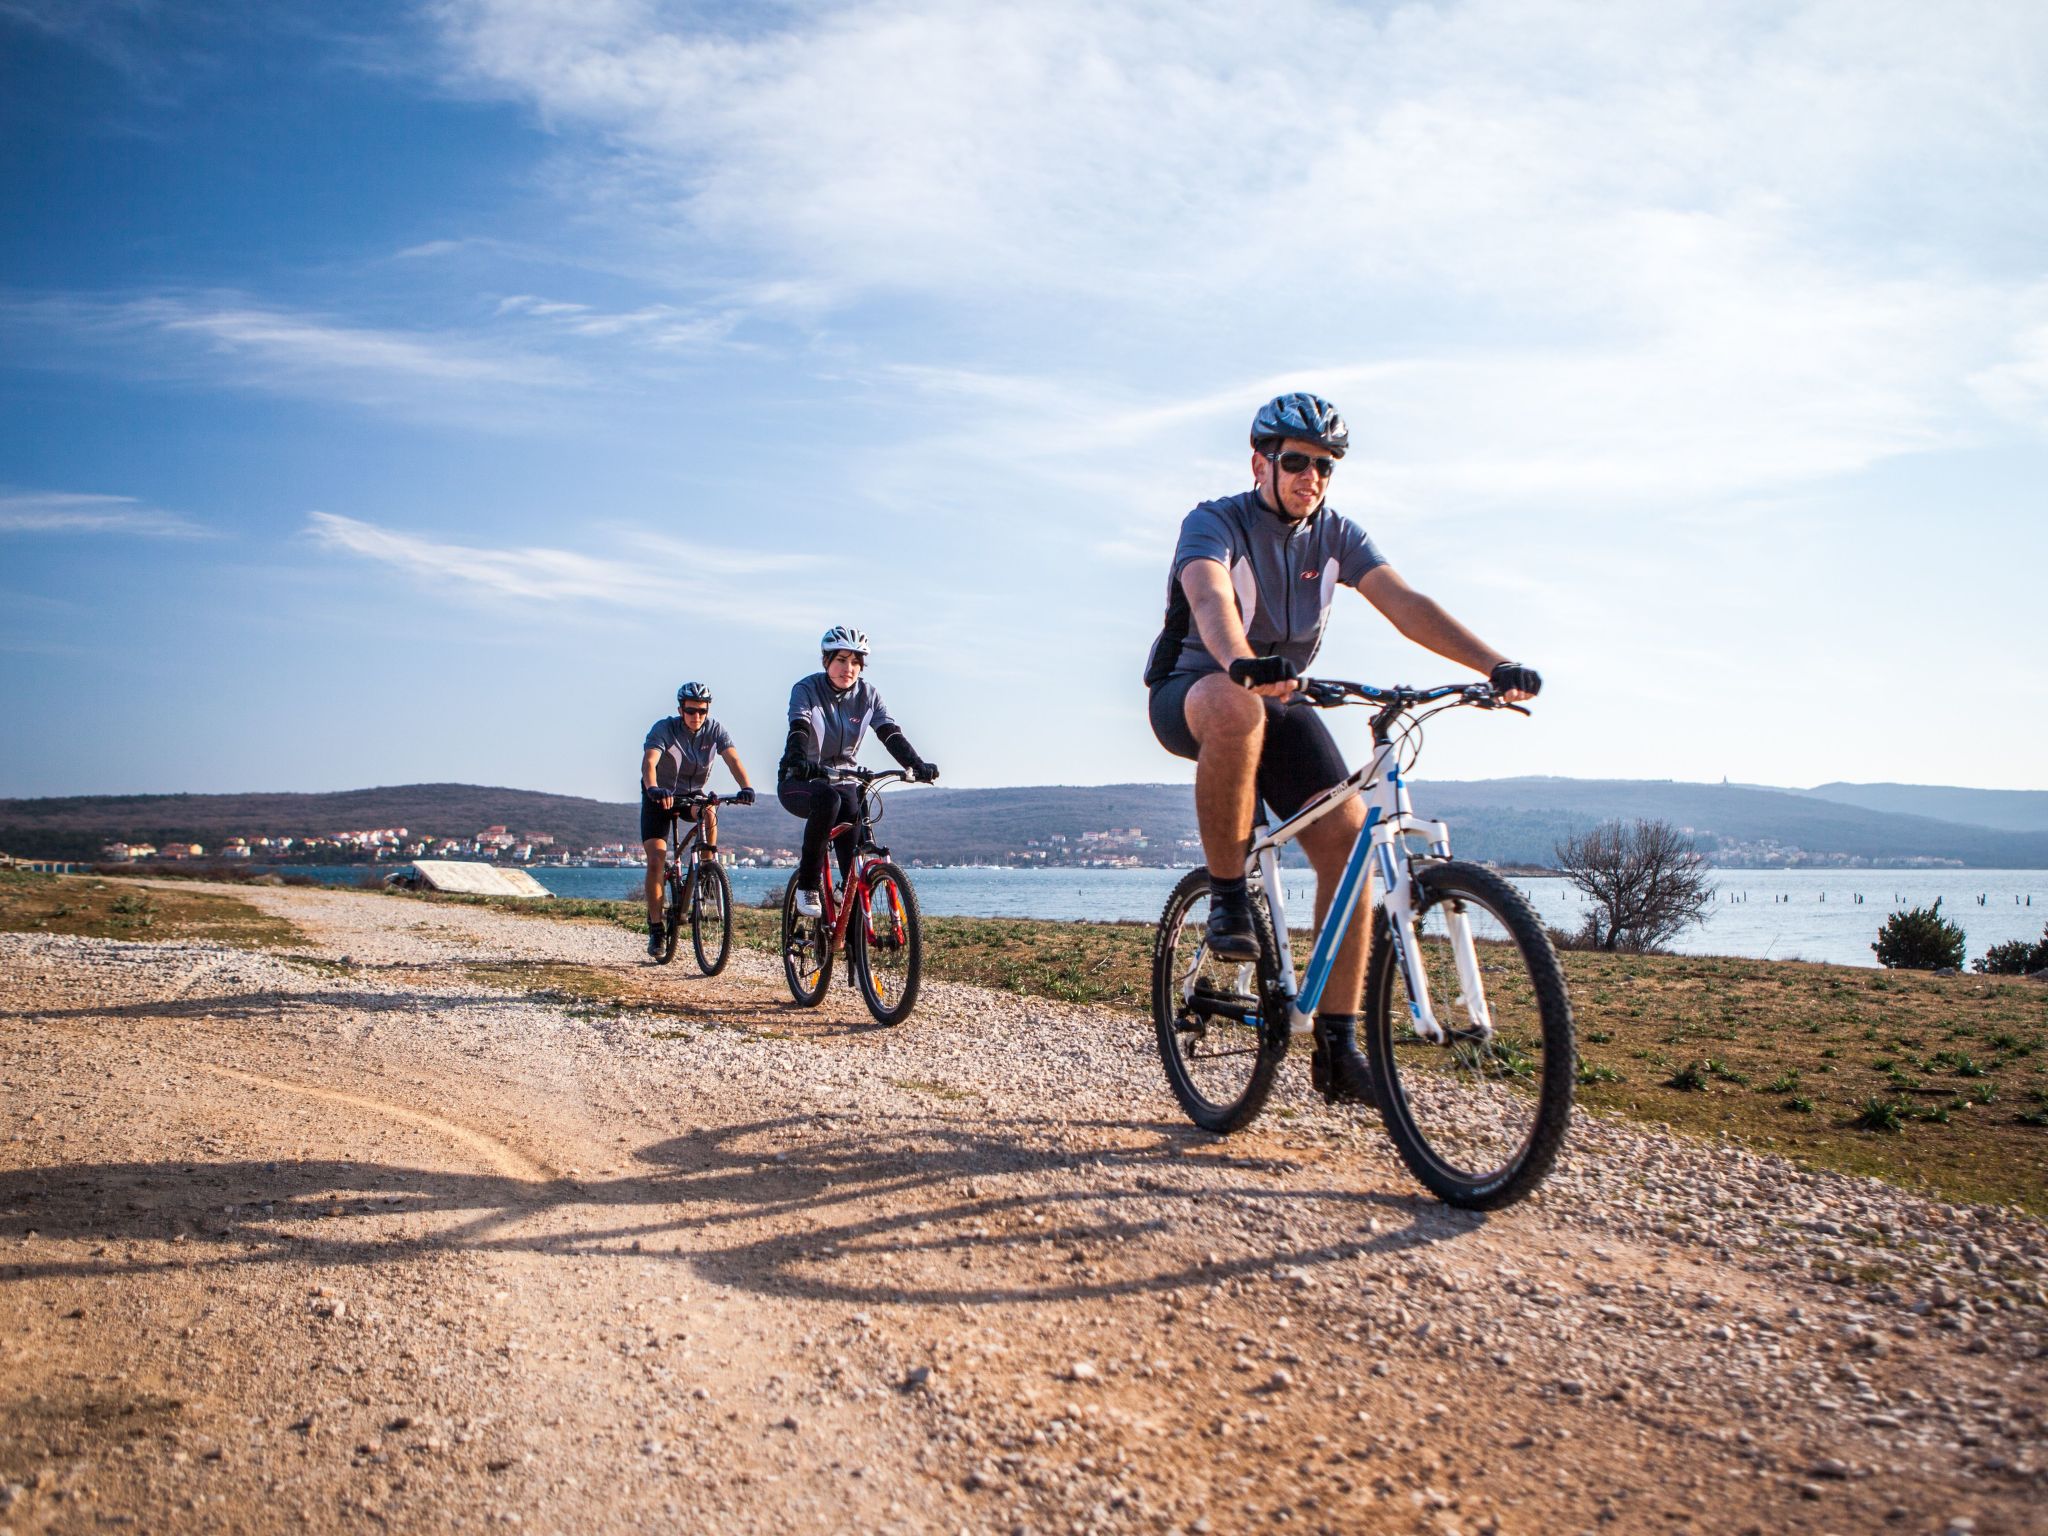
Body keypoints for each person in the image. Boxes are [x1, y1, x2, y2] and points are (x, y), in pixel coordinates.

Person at [1143, 392, 1542, 1099]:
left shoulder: (1337, 535)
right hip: (1200, 691)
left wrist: (1493, 666)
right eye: (1297, 462)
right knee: (1239, 708)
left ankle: (1337, 1043)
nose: (1313, 477)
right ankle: (1229, 899)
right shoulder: (1215, 521)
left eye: (1327, 467)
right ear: (1261, 461)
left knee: (1350, 846)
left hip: (1283, 699)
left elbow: (1407, 604)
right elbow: (1209, 598)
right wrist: (1240, 662)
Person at [777, 626, 938, 916]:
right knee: (828, 800)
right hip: (800, 779)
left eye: (855, 662)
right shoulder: (806, 690)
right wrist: (799, 758)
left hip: (844, 779)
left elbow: (890, 734)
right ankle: (808, 886)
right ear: (826, 661)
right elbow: (798, 728)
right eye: (840, 660)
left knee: (854, 855)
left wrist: (915, 764)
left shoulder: (868, 696)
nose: (847, 668)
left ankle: (852, 934)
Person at [641, 682, 754, 957]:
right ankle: (657, 930)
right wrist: (653, 788)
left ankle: (706, 871)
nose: (697, 716)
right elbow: (650, 761)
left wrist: (746, 787)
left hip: (691, 796)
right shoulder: (664, 728)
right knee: (656, 859)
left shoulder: (715, 730)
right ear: (681, 709)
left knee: (710, 810)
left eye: (702, 711)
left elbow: (733, 760)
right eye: (691, 711)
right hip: (660, 797)